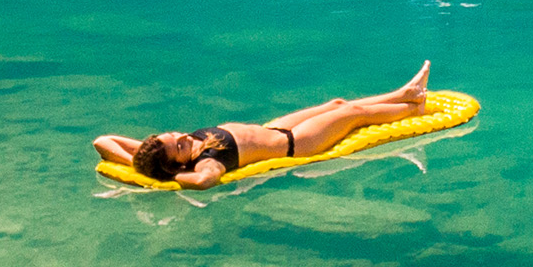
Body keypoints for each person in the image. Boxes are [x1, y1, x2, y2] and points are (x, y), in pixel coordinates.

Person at [96, 62, 435, 188]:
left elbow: (103, 140)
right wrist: (166, 177)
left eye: (176, 135)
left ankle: (403, 93)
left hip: (276, 128)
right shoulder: (206, 163)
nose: (184, 137)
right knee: (353, 116)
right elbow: (203, 182)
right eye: (180, 146)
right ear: (179, 163)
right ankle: (411, 111)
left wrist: (138, 161)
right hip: (297, 143)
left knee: (337, 104)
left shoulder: (167, 152)